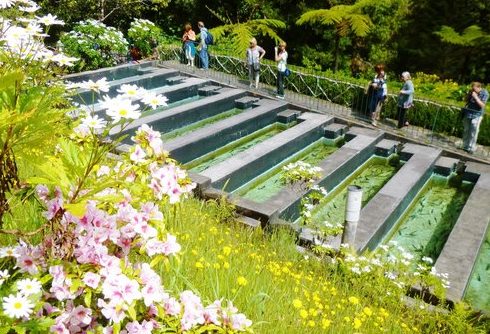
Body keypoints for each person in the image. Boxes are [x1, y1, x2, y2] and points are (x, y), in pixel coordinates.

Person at [462, 82, 488, 153]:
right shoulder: (472, 92)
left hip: (477, 115)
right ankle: (464, 145)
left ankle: (470, 148)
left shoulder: (485, 93)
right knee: (466, 130)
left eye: (474, 89)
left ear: (479, 87)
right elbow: (465, 100)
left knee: (474, 132)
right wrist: (468, 95)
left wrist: (476, 97)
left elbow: (482, 105)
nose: (473, 90)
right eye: (472, 89)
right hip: (468, 113)